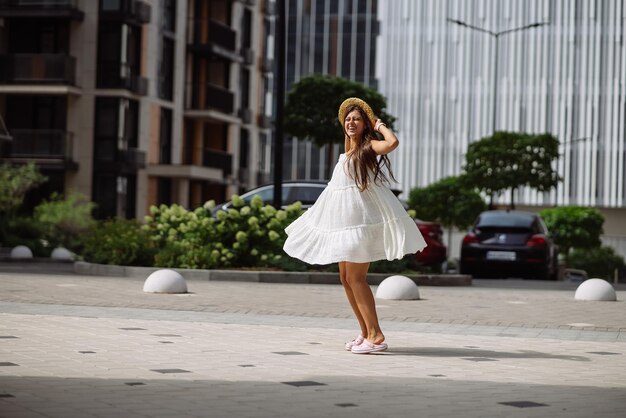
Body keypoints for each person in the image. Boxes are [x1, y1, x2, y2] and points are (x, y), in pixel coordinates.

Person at [283, 97, 427, 354]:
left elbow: (392, 143)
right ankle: (364, 332)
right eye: (348, 119)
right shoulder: (347, 153)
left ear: (364, 124)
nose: (350, 123)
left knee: (357, 278)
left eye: (356, 119)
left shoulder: (369, 147)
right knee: (346, 278)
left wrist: (379, 125)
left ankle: (376, 335)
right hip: (344, 225)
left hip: (359, 226)